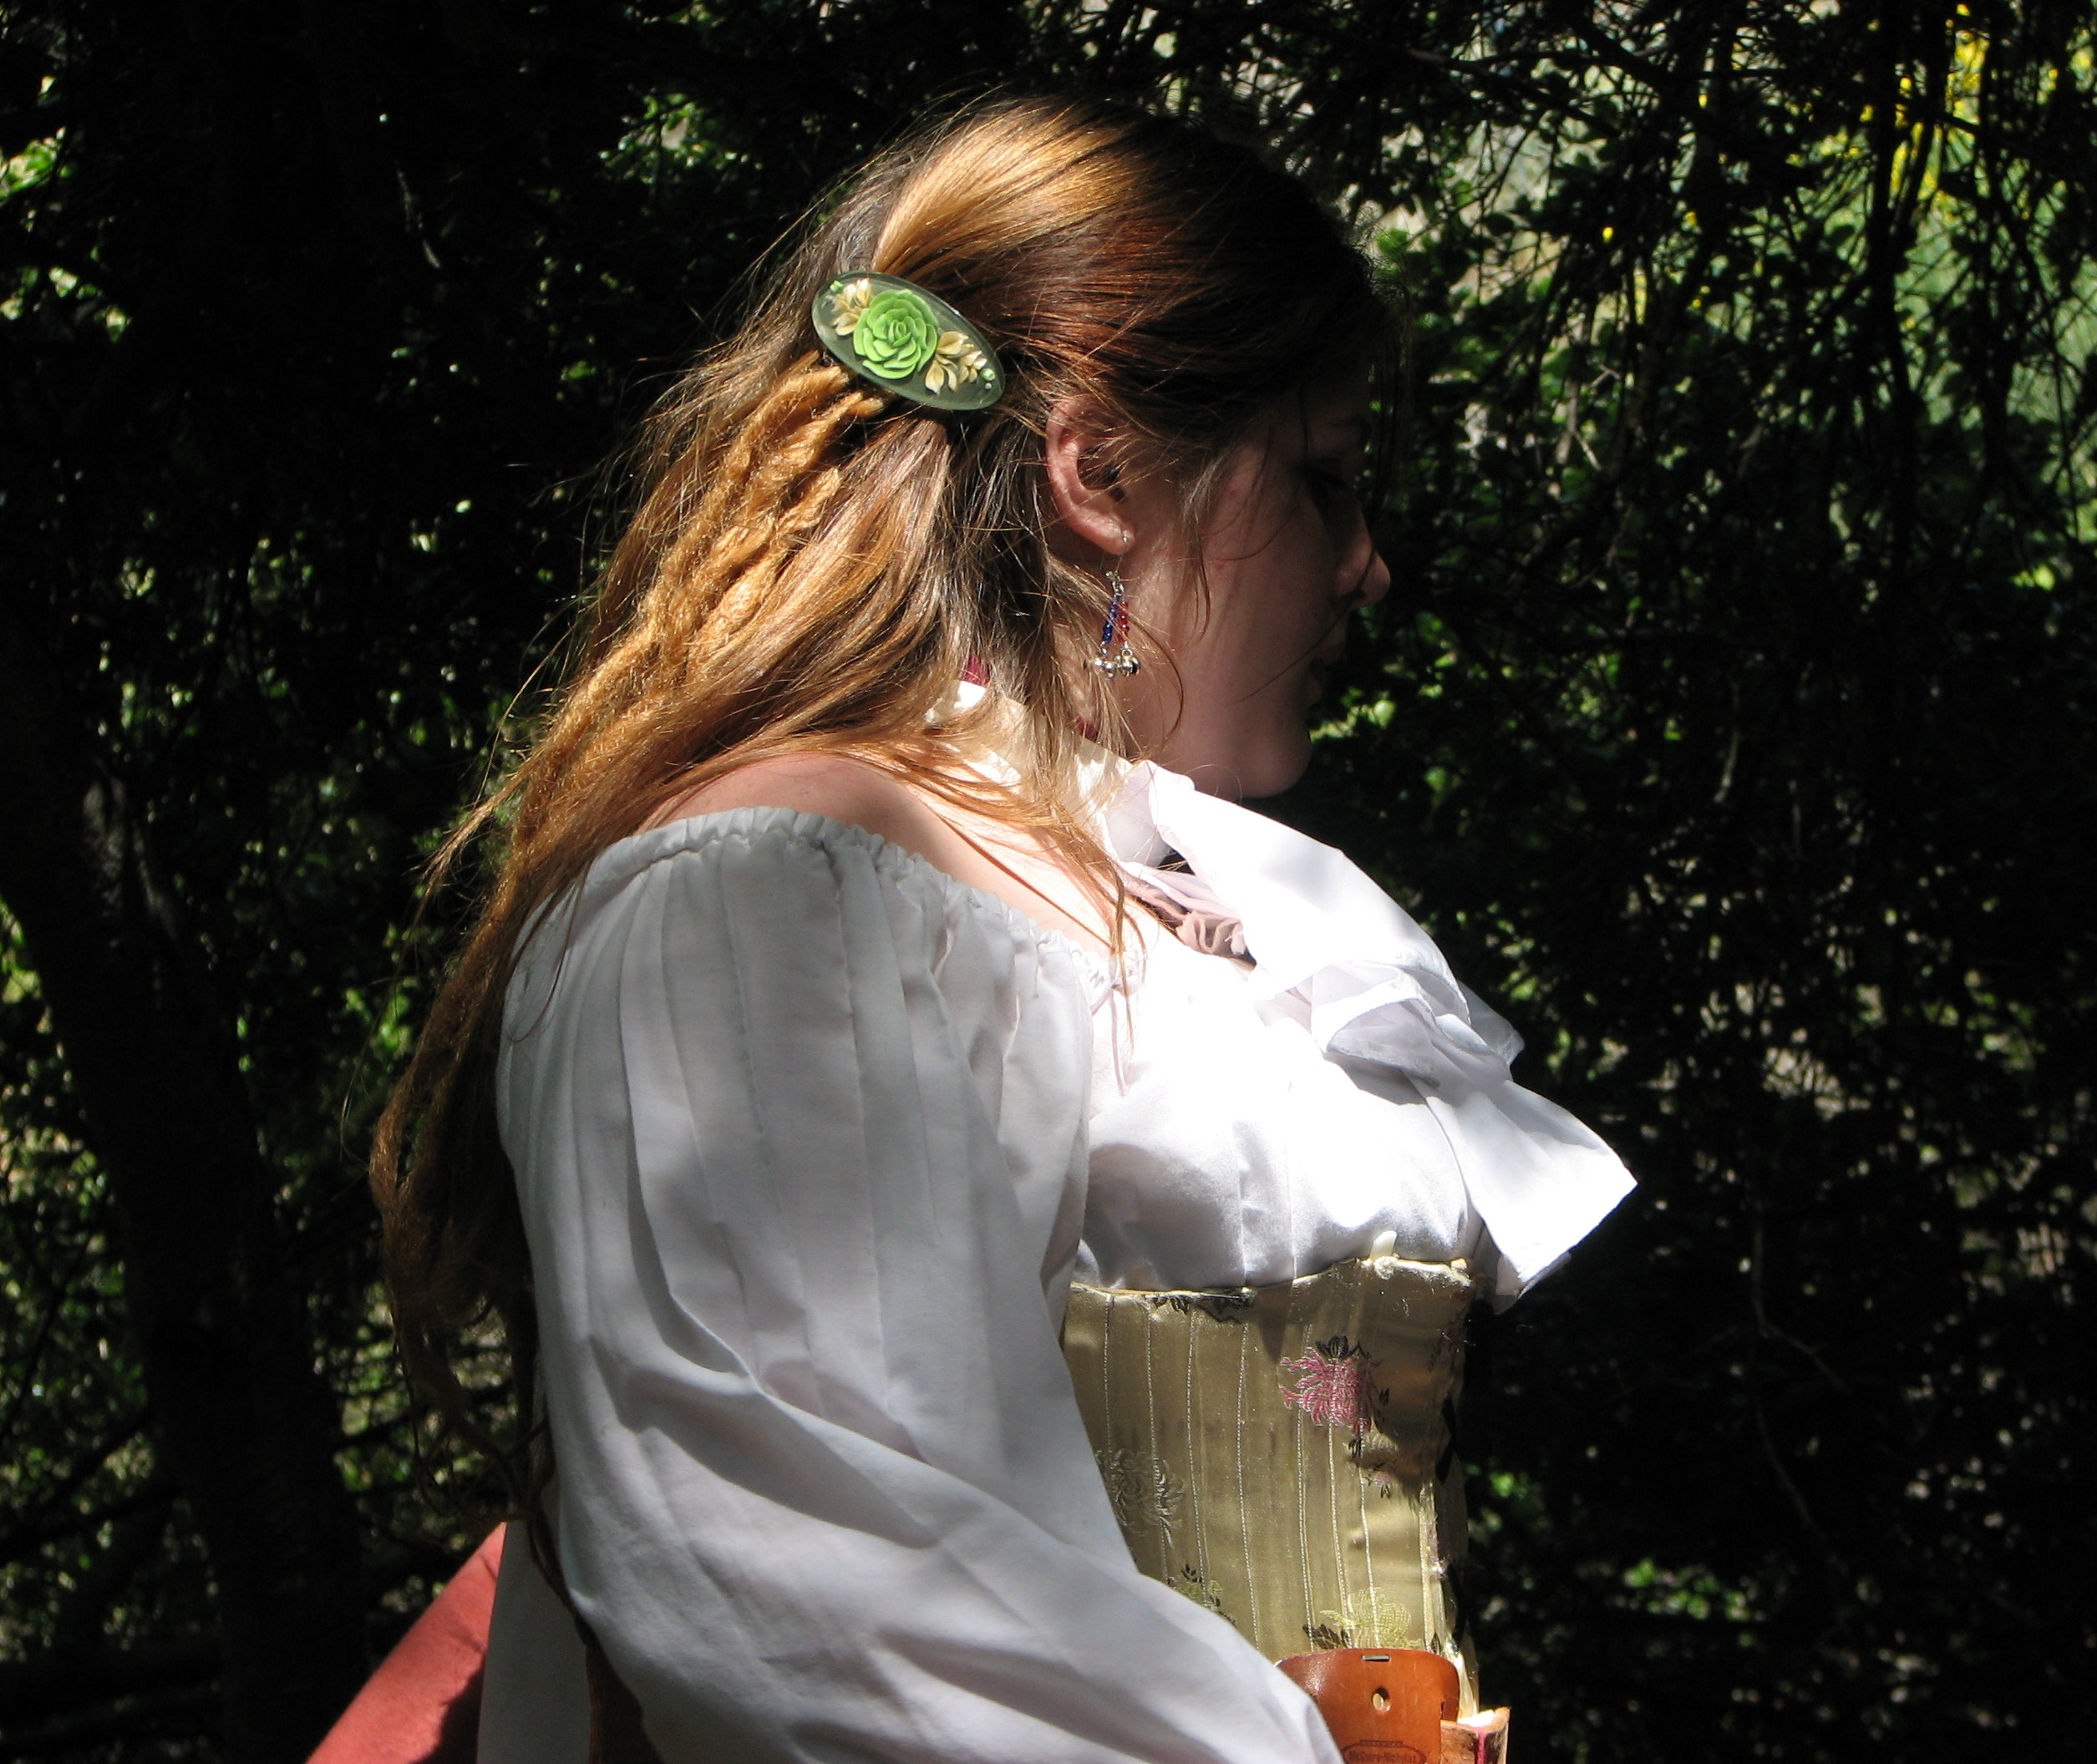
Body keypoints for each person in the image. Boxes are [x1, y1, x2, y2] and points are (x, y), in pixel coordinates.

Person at [368, 94, 1633, 1763]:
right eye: (1322, 481)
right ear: (1098, 472)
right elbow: (830, 1603)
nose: (1366, 567)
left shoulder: (1177, 906)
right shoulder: (782, 894)